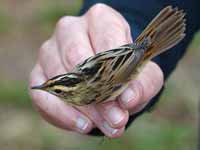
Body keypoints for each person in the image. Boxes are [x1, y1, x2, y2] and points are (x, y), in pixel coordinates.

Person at [29, 0, 200, 138]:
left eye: (58, 91)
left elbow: (118, 77)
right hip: (132, 52)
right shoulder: (81, 67)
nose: (49, 91)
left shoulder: (87, 96)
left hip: (130, 63)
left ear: (70, 93)